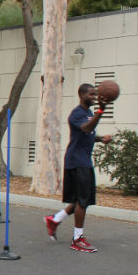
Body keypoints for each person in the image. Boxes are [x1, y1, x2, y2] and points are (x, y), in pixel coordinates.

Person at [45, 83, 113, 253]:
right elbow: (86, 128)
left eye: (95, 94)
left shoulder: (88, 113)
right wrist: (101, 111)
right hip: (77, 162)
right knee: (82, 201)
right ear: (81, 95)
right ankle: (77, 239)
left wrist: (99, 139)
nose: (94, 97)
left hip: (83, 161)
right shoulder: (77, 113)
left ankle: (54, 220)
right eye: (91, 94)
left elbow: (87, 133)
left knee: (80, 200)